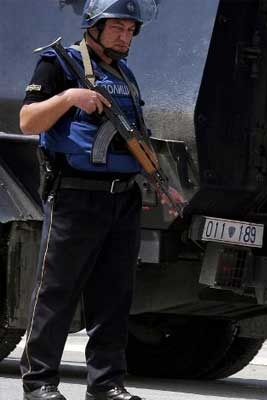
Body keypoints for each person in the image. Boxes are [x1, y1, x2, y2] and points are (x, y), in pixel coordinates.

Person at [18, 1, 158, 399]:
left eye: (130, 30)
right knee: (56, 293)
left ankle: (106, 384)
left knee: (113, 297)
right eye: (117, 28)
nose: (125, 37)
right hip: (76, 196)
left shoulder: (124, 74)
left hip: (123, 198)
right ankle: (39, 382)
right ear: (93, 27)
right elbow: (27, 121)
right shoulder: (58, 64)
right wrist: (69, 98)